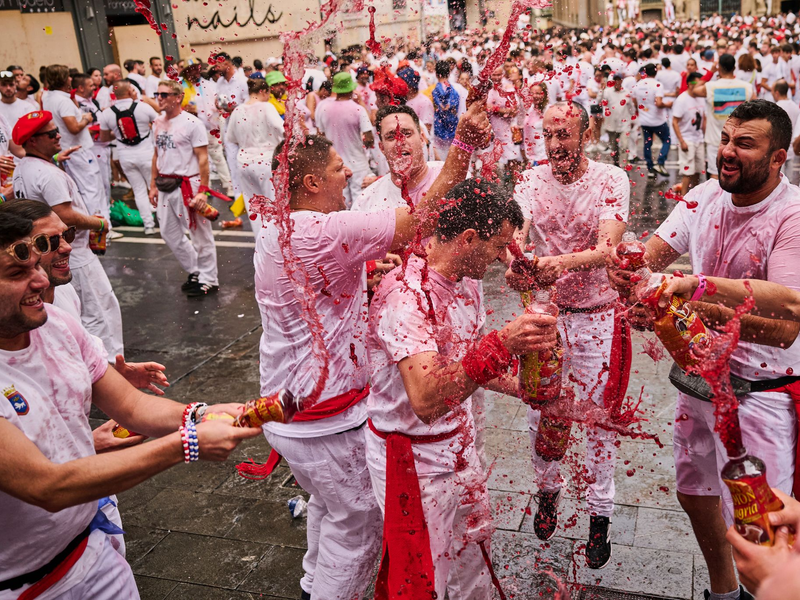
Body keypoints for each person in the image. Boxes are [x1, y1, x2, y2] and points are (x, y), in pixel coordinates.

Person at [253, 100, 491, 600]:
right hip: (323, 419)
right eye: (339, 169)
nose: (348, 175)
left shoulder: (275, 228)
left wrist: (363, 278)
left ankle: (308, 586)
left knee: (327, 507)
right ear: (313, 184)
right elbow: (424, 216)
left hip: (287, 406)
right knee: (358, 527)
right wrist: (463, 146)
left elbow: (321, 288)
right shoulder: (321, 229)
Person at [0, 208, 261, 599]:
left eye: (37, 266)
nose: (40, 280)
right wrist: (188, 443)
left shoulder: (57, 323)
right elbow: (47, 486)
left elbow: (133, 408)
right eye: (17, 274)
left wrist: (203, 413)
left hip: (94, 555)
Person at [607, 100, 800, 600]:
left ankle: (767, 593)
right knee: (695, 494)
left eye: (745, 144)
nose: (728, 153)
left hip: (760, 395)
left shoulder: (792, 214)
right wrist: (627, 269)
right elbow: (651, 253)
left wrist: (692, 292)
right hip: (697, 380)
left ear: (779, 157)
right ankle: (723, 593)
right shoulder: (705, 195)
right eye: (727, 139)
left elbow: (786, 325)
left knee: (762, 523)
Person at [366, 178, 557, 598]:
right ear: (468, 238)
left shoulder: (465, 279)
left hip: (459, 446)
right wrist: (503, 343)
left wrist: (530, 390)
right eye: (496, 246)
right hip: (411, 461)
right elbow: (428, 400)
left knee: (475, 557)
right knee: (422, 579)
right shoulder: (406, 296)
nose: (500, 258)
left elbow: (469, 364)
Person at [509, 101, 630, 569]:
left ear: (587, 133)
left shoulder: (610, 177)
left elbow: (608, 247)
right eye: (549, 136)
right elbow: (515, 232)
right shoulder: (529, 180)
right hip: (548, 316)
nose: (556, 145)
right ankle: (548, 491)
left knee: (598, 418)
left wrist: (554, 265)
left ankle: (600, 514)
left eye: (565, 135)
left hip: (599, 315)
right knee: (541, 410)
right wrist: (516, 261)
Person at [12, 110, 125, 363]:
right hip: (73, 254)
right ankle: (111, 372)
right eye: (50, 134)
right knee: (100, 313)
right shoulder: (48, 174)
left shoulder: (24, 168)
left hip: (47, 255)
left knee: (70, 313)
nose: (57, 135)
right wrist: (99, 223)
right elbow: (65, 215)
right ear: (32, 141)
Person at [149, 80, 219, 298]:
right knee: (168, 233)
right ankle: (196, 270)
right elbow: (156, 154)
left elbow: (203, 159)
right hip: (165, 185)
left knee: (200, 234)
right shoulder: (158, 122)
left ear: (178, 97)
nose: (159, 98)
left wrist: (203, 191)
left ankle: (209, 279)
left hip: (190, 184)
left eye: (164, 94)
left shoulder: (192, 123)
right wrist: (152, 184)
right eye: (157, 94)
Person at [42, 65, 108, 221]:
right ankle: (100, 228)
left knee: (85, 189)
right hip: (78, 150)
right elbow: (73, 127)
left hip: (70, 149)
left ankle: (99, 225)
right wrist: (86, 118)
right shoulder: (61, 101)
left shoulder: (49, 97)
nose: (71, 79)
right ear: (64, 79)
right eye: (68, 76)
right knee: (91, 190)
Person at [99, 81, 159, 234]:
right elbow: (159, 124)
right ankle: (164, 220)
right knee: (155, 188)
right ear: (130, 91)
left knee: (138, 191)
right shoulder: (143, 107)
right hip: (147, 154)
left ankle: (148, 225)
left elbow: (104, 137)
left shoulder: (107, 113)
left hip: (126, 156)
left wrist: (118, 131)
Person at [224, 77, 284, 231]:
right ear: (263, 91)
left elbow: (231, 138)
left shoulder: (238, 110)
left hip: (244, 163)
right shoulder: (266, 107)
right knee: (273, 206)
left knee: (255, 209)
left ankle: (261, 244)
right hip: (265, 161)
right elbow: (282, 129)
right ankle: (275, 244)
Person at [315, 72, 374, 207]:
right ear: (351, 89)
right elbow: (369, 138)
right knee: (361, 202)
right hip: (357, 162)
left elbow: (320, 137)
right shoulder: (358, 109)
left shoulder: (323, 108)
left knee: (341, 202)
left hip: (334, 163)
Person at [694, 54, 754, 180]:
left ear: (719, 67)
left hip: (716, 140)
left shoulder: (711, 86)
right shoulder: (747, 87)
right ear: (734, 67)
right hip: (740, 140)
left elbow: (694, 90)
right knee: (739, 174)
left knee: (715, 174)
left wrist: (711, 71)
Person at [181, 59, 234, 198]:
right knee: (199, 159)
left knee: (217, 156)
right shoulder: (181, 87)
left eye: (197, 68)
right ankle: (205, 187)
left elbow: (219, 103)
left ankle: (229, 186)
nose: (196, 71)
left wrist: (216, 107)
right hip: (190, 129)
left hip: (210, 126)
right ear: (187, 72)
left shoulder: (209, 85)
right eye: (192, 69)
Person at [633, 63, 672, 178]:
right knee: (667, 140)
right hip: (657, 120)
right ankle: (660, 162)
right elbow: (659, 103)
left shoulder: (638, 85)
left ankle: (650, 169)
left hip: (644, 120)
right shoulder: (657, 85)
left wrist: (643, 111)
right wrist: (668, 105)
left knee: (647, 143)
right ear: (655, 72)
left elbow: (635, 103)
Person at [672, 71, 706, 195]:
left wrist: (705, 136)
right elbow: (674, 121)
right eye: (698, 83)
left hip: (699, 139)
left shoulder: (701, 98)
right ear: (690, 84)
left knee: (697, 170)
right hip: (687, 139)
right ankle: (683, 197)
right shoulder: (682, 99)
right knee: (687, 171)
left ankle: (695, 196)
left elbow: (704, 119)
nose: (700, 86)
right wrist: (681, 141)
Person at [432, 60, 461, 161]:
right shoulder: (455, 90)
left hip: (439, 128)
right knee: (452, 156)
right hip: (453, 126)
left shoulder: (434, 90)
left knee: (441, 156)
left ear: (436, 74)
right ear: (449, 73)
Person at [604, 73, 636, 167]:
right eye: (615, 80)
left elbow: (631, 108)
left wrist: (633, 119)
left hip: (624, 123)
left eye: (619, 80)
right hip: (611, 124)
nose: (617, 82)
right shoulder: (607, 92)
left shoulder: (626, 93)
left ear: (622, 81)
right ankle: (616, 164)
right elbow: (602, 105)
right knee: (614, 147)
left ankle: (624, 166)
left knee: (624, 146)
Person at [0, 71, 33, 139]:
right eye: (4, 85)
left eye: (11, 85)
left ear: (16, 85)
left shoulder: (28, 107)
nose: (8, 88)